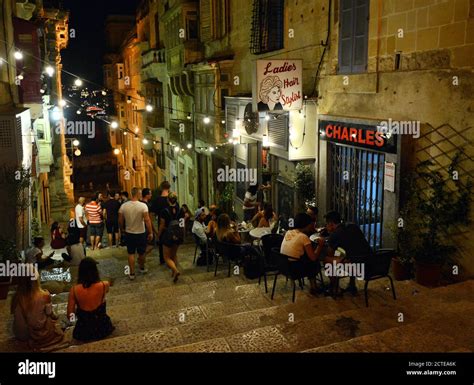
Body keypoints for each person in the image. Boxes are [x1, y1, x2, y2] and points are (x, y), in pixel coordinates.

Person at [11, 271, 65, 350]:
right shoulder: (44, 295)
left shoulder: (16, 297)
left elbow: (13, 313)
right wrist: (57, 317)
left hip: (20, 334)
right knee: (50, 318)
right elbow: (50, 314)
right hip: (33, 334)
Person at [324, 211, 372, 295]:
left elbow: (329, 253)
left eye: (326, 224)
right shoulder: (353, 226)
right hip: (371, 263)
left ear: (331, 223)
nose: (326, 226)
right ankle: (352, 285)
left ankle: (336, 289)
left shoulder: (335, 234)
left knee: (326, 260)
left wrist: (327, 241)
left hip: (359, 268)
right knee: (349, 255)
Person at [67, 258, 114, 342]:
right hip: (103, 328)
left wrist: (75, 319)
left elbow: (70, 315)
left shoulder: (74, 290)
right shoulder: (104, 285)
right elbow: (105, 292)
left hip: (83, 332)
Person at [280, 213, 326, 296]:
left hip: (283, 266)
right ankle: (313, 288)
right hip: (294, 270)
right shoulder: (303, 237)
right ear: (306, 224)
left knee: (307, 258)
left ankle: (314, 286)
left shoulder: (288, 232)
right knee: (314, 262)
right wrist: (320, 245)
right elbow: (313, 257)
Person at [119, 187, 153, 280]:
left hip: (129, 232)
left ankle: (132, 273)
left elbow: (120, 220)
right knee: (141, 253)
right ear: (138, 194)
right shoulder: (143, 206)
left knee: (131, 253)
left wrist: (122, 229)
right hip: (141, 232)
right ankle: (142, 268)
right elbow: (147, 220)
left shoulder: (124, 206)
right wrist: (150, 232)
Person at [157, 192, 184, 283]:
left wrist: (158, 235)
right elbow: (182, 224)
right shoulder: (181, 210)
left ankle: (175, 270)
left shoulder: (164, 211)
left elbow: (162, 225)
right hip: (178, 234)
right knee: (174, 254)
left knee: (167, 257)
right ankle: (174, 272)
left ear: (168, 200)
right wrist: (182, 234)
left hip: (168, 235)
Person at [153, 181, 171, 265]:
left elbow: (153, 212)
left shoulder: (157, 200)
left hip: (161, 223)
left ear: (161, 188)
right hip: (171, 223)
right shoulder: (171, 199)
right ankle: (170, 258)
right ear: (169, 188)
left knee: (161, 240)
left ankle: (163, 259)